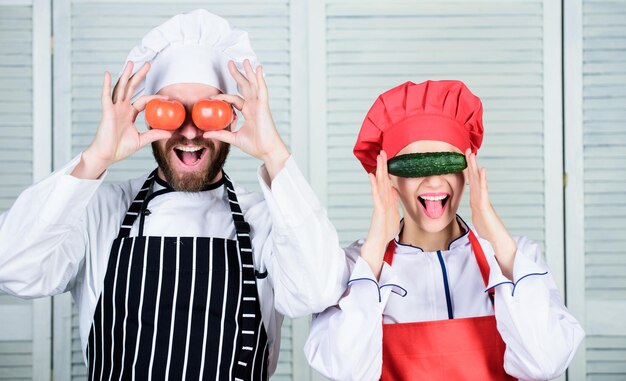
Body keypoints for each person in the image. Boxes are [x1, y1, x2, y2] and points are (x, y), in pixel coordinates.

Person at [0, 10, 347, 380]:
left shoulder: (265, 221)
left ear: (232, 119)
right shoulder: (100, 212)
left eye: (208, 112)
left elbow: (319, 290)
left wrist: (275, 154)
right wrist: (94, 158)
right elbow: (13, 268)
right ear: (150, 118)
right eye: (170, 111)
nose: (190, 131)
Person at [304, 80, 584, 380]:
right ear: (389, 178)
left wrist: (498, 239)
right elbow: (346, 370)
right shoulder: (354, 266)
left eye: (447, 163)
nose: (434, 182)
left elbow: (547, 363)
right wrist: (373, 251)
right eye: (415, 166)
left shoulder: (515, 258)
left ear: (468, 171)